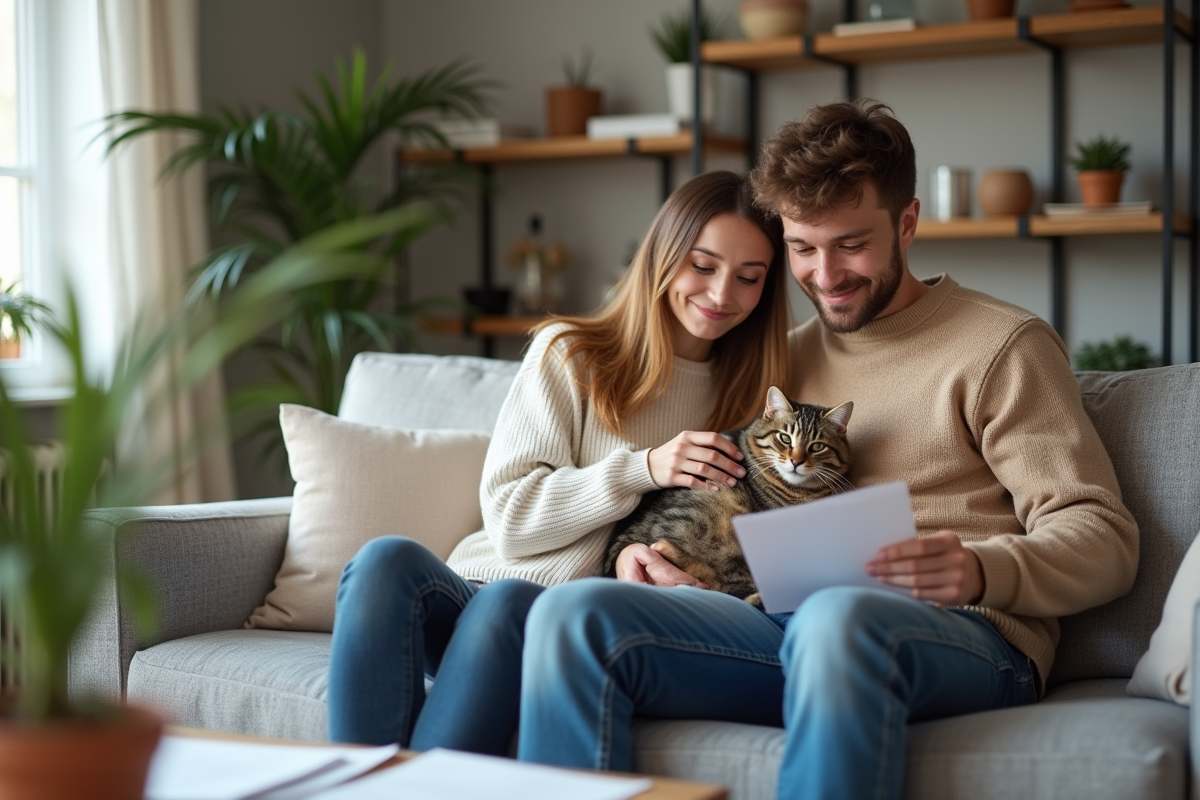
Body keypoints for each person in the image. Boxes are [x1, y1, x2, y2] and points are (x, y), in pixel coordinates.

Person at [516, 101, 1139, 799]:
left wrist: (978, 569)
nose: (825, 274)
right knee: (576, 615)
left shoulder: (1002, 346)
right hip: (779, 623)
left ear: (907, 223)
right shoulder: (776, 361)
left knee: (836, 617)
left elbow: (1104, 539)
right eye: (803, 248)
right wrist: (632, 557)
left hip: (965, 635)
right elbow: (713, 495)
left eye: (851, 244)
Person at [326, 169, 793, 752]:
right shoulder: (571, 352)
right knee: (383, 560)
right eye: (702, 266)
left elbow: (736, 550)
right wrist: (642, 467)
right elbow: (509, 519)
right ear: (661, 258)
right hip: (474, 586)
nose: (723, 294)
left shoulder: (756, 404)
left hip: (556, 618)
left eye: (749, 278)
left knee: (512, 602)